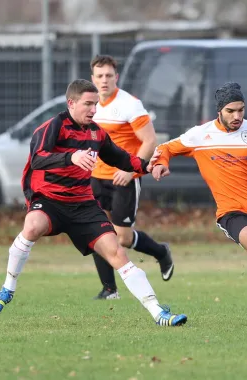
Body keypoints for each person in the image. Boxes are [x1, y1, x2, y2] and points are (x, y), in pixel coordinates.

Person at [0, 79, 187, 327]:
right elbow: (38, 159)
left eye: (95, 105)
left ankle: (158, 312)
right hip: (50, 201)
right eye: (88, 104)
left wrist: (149, 167)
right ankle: (7, 288)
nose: (93, 110)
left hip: (83, 205)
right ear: (71, 103)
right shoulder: (52, 127)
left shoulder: (96, 132)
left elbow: (120, 158)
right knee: (32, 226)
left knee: (118, 252)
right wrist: (72, 156)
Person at [147, 82, 247, 302]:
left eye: (241, 110)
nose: (237, 116)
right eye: (231, 111)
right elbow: (166, 148)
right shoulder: (201, 135)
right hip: (230, 211)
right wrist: (160, 163)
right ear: (219, 111)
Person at [89, 55, 173, 301]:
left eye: (109, 75)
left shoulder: (130, 104)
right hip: (95, 177)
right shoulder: (90, 104)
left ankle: (161, 252)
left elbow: (150, 141)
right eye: (99, 76)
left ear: (117, 77)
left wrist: (130, 171)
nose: (104, 80)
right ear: (93, 78)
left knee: (122, 238)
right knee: (97, 231)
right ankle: (109, 289)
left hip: (123, 178)